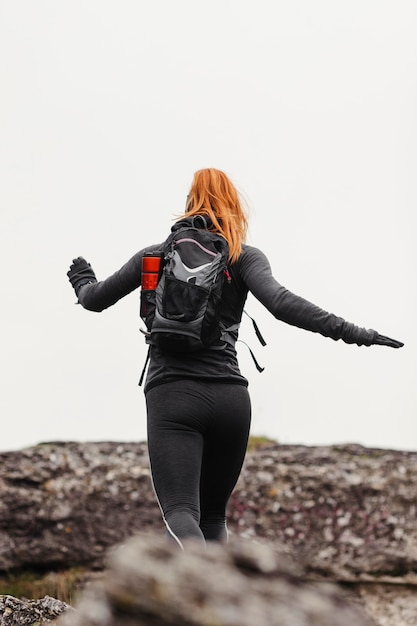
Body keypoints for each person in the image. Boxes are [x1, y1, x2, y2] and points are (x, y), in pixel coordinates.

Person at [67, 168, 403, 549]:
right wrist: (356, 334)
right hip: (230, 399)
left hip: (173, 394)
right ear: (234, 206)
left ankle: (200, 595)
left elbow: (94, 300)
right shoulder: (242, 256)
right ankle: (222, 601)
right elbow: (282, 303)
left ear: (189, 202)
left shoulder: (153, 256)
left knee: (181, 514)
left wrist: (82, 279)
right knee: (213, 518)